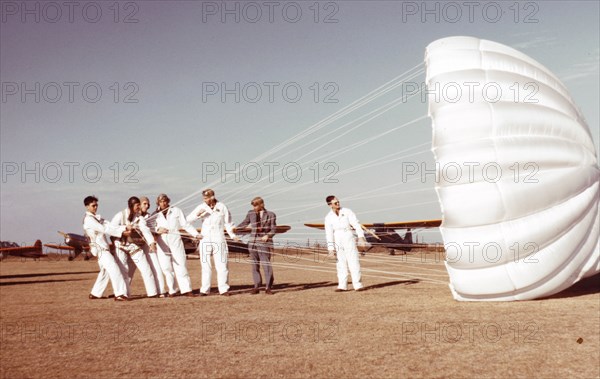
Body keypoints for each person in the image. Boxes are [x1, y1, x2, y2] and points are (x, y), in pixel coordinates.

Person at [187, 189, 239, 296]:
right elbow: (187, 220)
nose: (205, 200)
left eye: (206, 198)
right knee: (205, 265)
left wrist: (233, 235)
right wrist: (198, 215)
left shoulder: (222, 206)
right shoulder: (201, 207)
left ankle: (223, 289)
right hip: (205, 238)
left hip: (218, 238)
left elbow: (228, 223)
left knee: (222, 264)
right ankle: (205, 290)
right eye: (204, 198)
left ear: (212, 197)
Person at [110, 197, 159, 298]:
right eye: (137, 205)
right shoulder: (120, 215)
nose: (139, 207)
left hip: (133, 246)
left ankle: (152, 293)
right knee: (123, 269)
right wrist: (123, 230)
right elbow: (110, 228)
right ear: (131, 205)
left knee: (145, 268)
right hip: (120, 245)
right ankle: (123, 294)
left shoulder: (139, 218)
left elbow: (145, 230)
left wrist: (151, 243)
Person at [83, 195, 129, 301]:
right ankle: (120, 294)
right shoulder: (89, 220)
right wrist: (122, 232)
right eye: (93, 205)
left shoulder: (96, 218)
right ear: (87, 207)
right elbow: (104, 228)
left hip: (103, 249)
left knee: (105, 272)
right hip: (101, 250)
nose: (95, 207)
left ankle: (95, 293)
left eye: (96, 205)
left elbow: (110, 225)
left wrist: (125, 227)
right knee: (114, 269)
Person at [154, 193, 201, 297]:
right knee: (166, 267)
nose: (163, 203)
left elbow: (185, 224)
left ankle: (187, 290)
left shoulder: (176, 211)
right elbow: (152, 228)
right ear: (158, 203)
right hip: (162, 242)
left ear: (168, 201)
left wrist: (195, 234)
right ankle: (172, 290)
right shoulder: (155, 214)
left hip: (175, 240)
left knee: (181, 264)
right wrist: (158, 230)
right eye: (161, 201)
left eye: (165, 201)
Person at [324, 195, 366, 292]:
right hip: (337, 237)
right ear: (330, 205)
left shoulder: (347, 211)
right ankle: (342, 285)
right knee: (340, 262)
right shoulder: (328, 217)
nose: (338, 203)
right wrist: (331, 249)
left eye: (338, 201)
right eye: (335, 203)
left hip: (348, 235)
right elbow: (329, 233)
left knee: (353, 260)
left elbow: (356, 224)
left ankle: (358, 285)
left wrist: (361, 237)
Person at [236, 197, 277, 295]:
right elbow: (244, 223)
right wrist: (234, 230)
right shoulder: (250, 213)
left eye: (256, 206)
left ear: (261, 204)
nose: (254, 208)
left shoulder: (271, 214)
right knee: (254, 266)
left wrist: (268, 235)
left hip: (264, 242)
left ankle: (268, 287)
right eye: (253, 206)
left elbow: (274, 229)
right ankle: (256, 286)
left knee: (266, 265)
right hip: (252, 242)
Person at [140, 196, 167, 298]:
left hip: (149, 245)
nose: (147, 206)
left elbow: (151, 228)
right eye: (144, 204)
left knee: (156, 267)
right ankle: (121, 292)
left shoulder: (150, 216)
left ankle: (161, 291)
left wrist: (157, 230)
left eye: (148, 204)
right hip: (135, 247)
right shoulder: (134, 216)